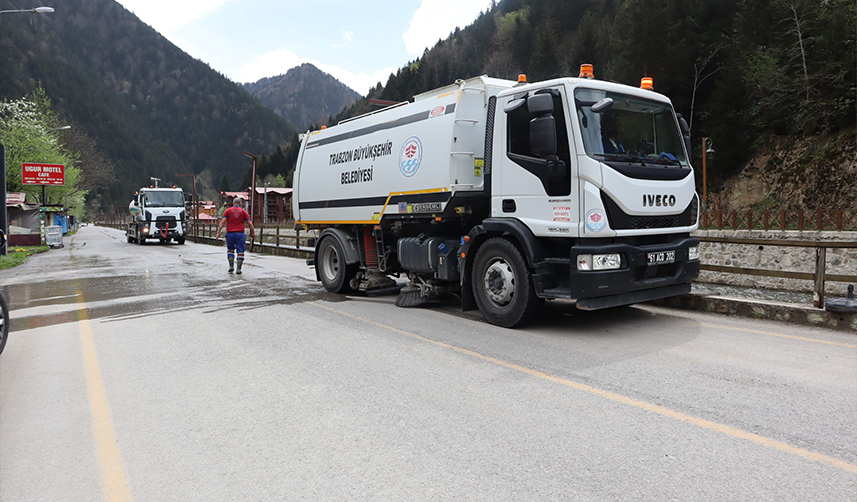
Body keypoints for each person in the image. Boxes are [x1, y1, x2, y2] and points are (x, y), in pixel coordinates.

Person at [215, 197, 256, 274]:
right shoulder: (243, 212)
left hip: (230, 234)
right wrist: (252, 233)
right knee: (240, 251)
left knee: (230, 249)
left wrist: (218, 232)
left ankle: (231, 266)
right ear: (240, 204)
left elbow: (222, 222)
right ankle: (239, 269)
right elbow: (250, 224)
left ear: (233, 203)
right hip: (240, 234)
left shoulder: (227, 211)